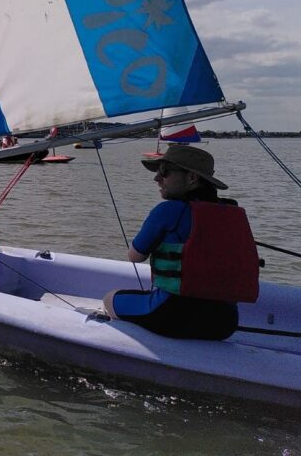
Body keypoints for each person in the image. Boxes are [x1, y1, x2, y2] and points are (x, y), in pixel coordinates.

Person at [103, 144, 260, 340]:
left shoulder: (168, 210)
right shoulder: (233, 213)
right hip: (225, 323)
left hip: (171, 315)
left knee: (110, 298)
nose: (157, 178)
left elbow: (134, 256)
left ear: (192, 178)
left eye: (165, 171)